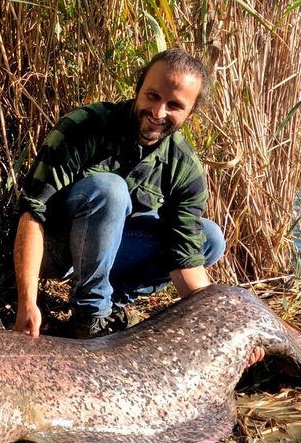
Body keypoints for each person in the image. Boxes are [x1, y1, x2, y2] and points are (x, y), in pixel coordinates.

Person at [12, 47, 228, 339]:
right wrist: (28, 300)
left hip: (112, 252)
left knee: (210, 239)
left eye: (174, 105)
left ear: (190, 112)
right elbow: (32, 213)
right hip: (56, 250)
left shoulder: (184, 166)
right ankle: (90, 317)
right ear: (138, 89)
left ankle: (114, 301)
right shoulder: (84, 127)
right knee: (111, 189)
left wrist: (223, 330)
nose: (158, 112)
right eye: (152, 96)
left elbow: (184, 258)